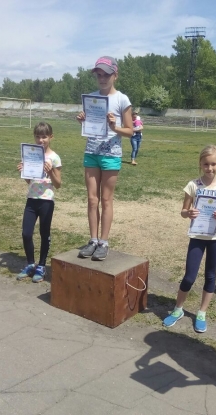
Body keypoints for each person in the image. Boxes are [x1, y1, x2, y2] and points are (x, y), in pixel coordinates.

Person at [162, 145, 216, 333]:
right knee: (189, 276)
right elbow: (183, 211)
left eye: (213, 164)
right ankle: (178, 309)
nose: (209, 168)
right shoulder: (193, 185)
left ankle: (202, 313)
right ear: (200, 164)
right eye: (206, 164)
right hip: (197, 236)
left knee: (210, 275)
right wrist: (189, 213)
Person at [76, 56, 133, 261]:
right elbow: (89, 124)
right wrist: (82, 120)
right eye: (98, 75)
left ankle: (104, 242)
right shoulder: (91, 98)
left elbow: (130, 131)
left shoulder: (122, 99)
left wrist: (114, 127)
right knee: (92, 199)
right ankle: (93, 240)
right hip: (91, 152)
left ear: (115, 75)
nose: (102, 79)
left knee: (106, 200)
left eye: (106, 75)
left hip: (111, 155)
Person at [16, 122, 62, 283]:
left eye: (44, 137)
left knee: (44, 233)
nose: (41, 140)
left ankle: (41, 266)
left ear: (51, 137)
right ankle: (30, 264)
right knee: (26, 233)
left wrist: (50, 171)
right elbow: (30, 181)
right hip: (32, 199)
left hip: (46, 201)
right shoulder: (30, 155)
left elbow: (58, 184)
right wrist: (24, 172)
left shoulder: (54, 157)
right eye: (37, 136)